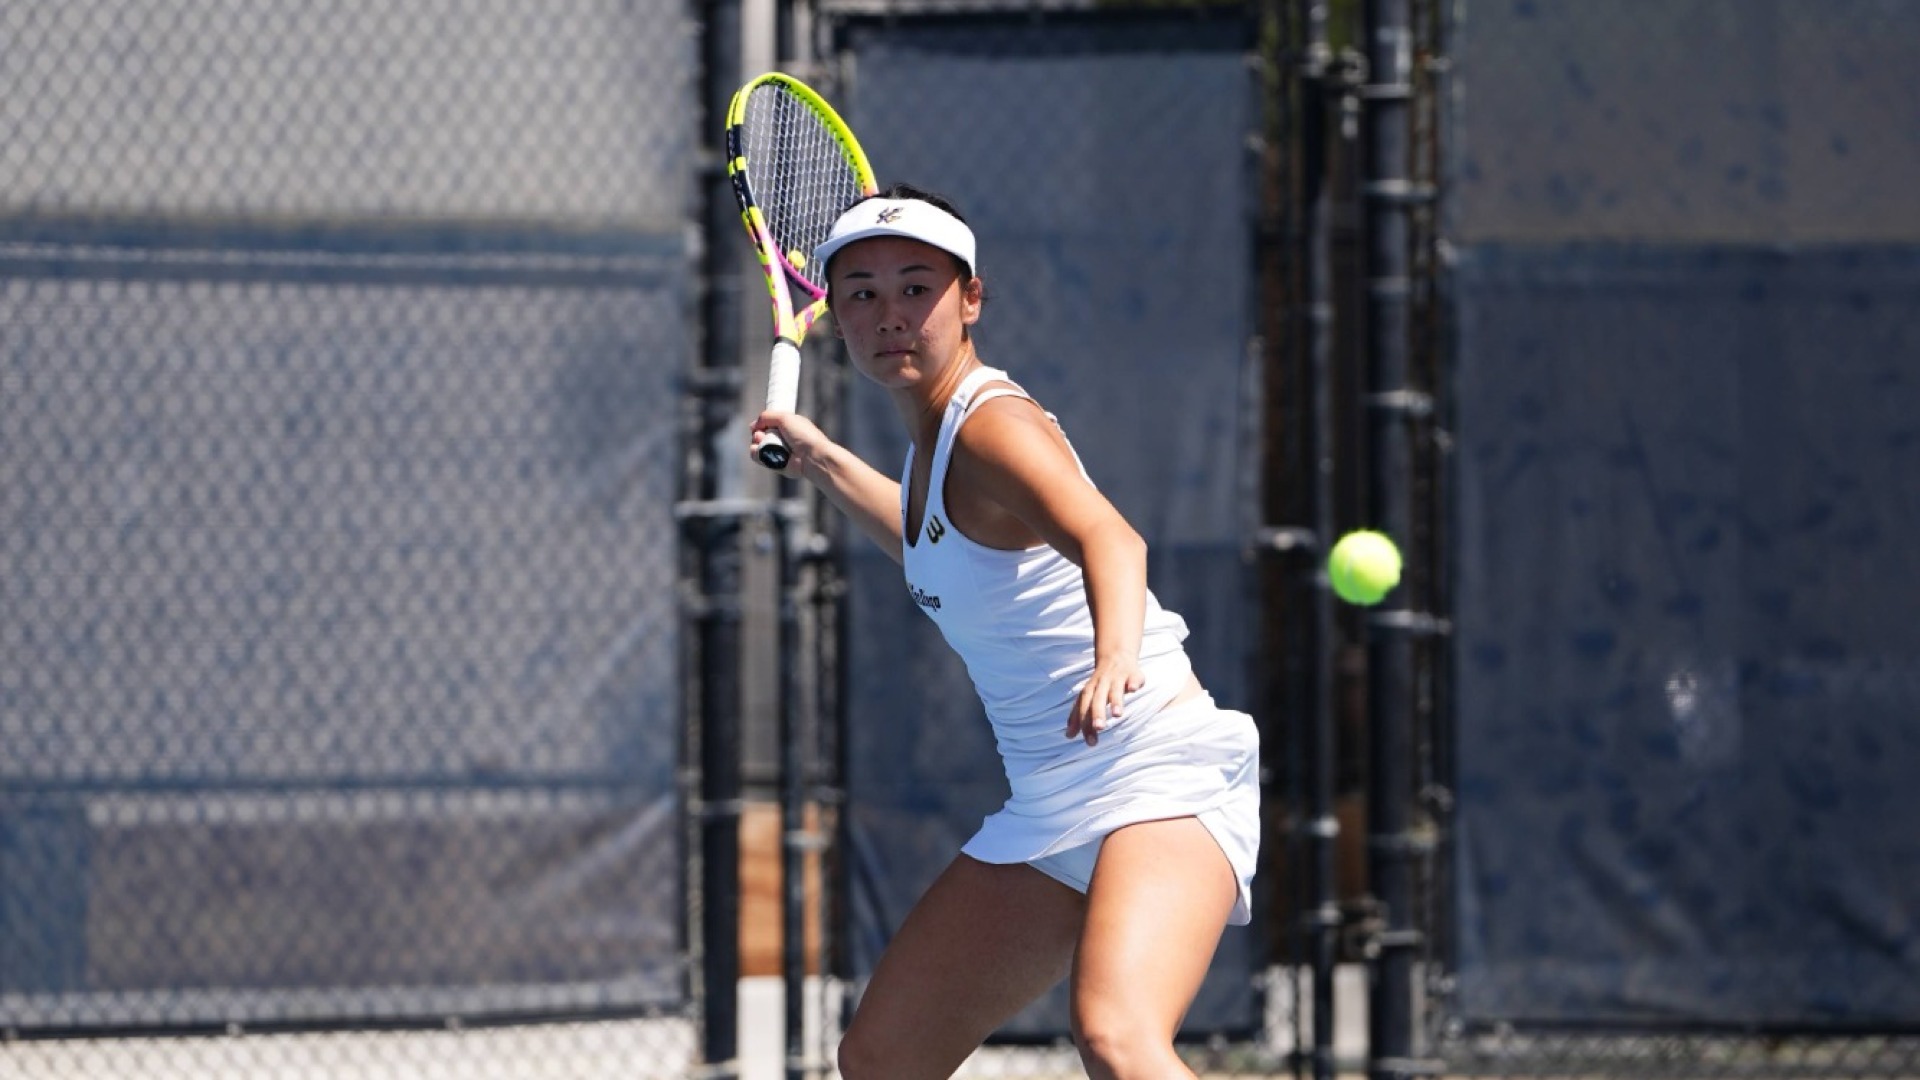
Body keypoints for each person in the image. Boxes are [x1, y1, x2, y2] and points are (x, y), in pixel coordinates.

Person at [749, 183, 1261, 1080]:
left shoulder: (992, 428)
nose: (890, 314)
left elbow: (1112, 536)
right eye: (861, 292)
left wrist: (1113, 657)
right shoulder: (934, 444)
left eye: (918, 287)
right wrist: (824, 458)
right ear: (834, 313)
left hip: (1155, 764)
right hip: (1050, 795)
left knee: (1118, 1037)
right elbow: (930, 542)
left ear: (970, 298)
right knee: (883, 1058)